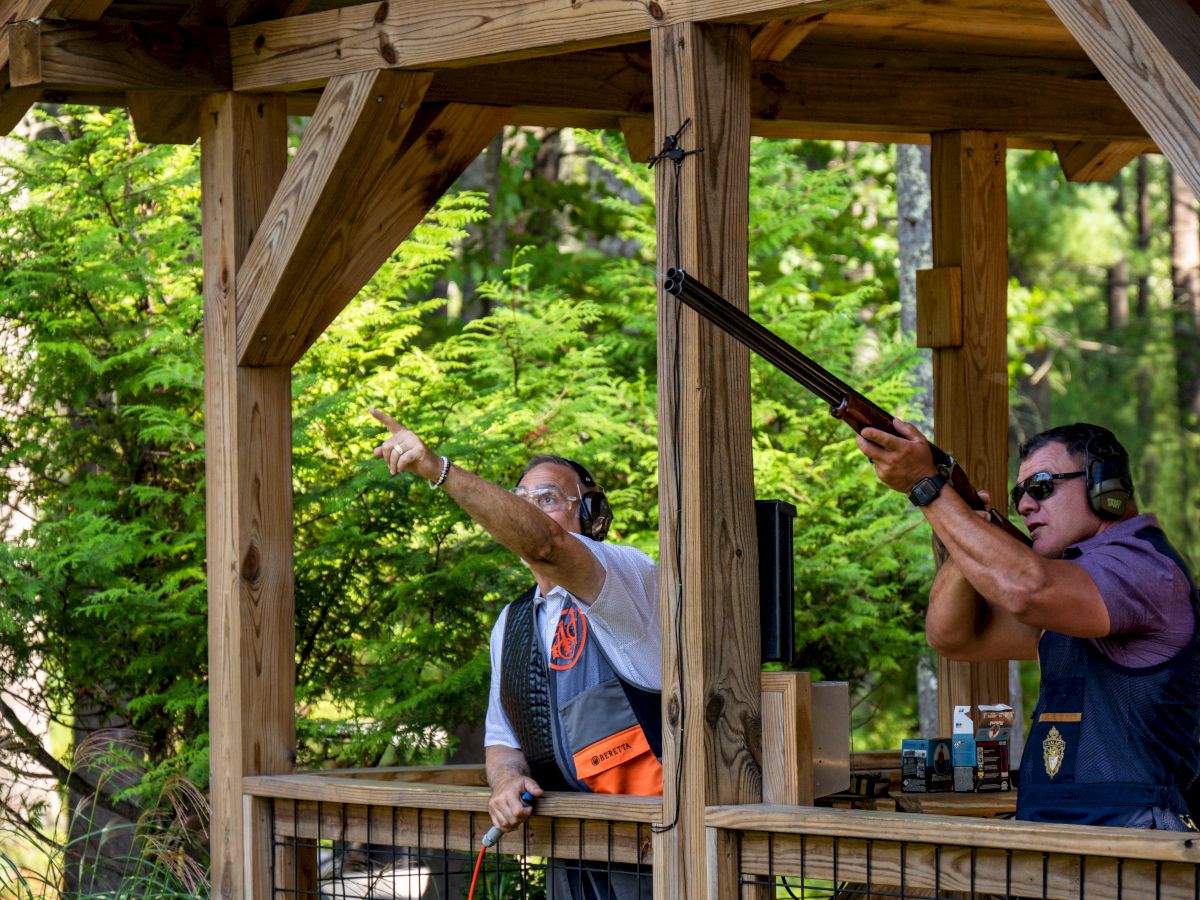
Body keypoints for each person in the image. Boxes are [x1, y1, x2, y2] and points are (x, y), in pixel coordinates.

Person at [371, 409, 661, 896]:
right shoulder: (513, 622)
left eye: (546, 499)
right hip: (572, 846)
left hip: (658, 842)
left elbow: (547, 544)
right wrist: (506, 781)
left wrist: (436, 469)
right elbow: (503, 739)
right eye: (519, 500)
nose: (526, 510)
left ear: (590, 516)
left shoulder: (627, 576)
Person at [856, 419, 1200, 829]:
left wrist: (927, 489)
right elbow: (953, 637)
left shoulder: (1141, 567)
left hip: (1135, 843)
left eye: (1041, 486)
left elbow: (1025, 589)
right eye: (1019, 494)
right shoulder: (1074, 588)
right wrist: (971, 528)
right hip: (1057, 833)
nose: (1023, 506)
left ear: (1103, 484)